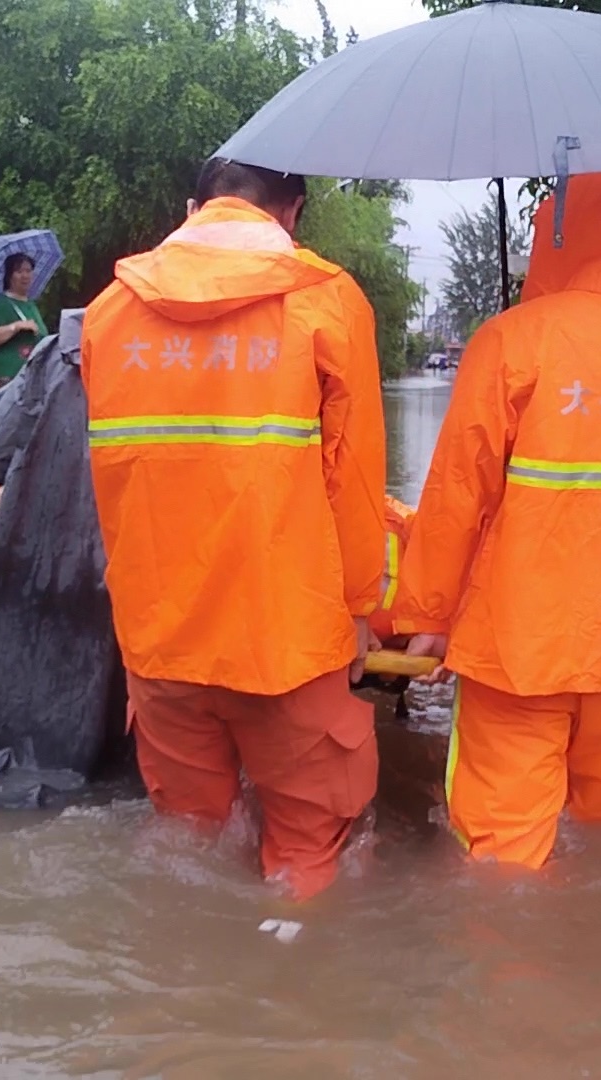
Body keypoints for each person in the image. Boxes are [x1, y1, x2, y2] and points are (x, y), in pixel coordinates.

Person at [393, 169, 601, 870]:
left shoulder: (513, 342)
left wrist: (426, 618)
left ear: (553, 235)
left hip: (519, 650)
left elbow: (458, 495)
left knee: (500, 860)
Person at [81, 158, 387, 900]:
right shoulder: (328, 302)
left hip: (159, 639)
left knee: (187, 846)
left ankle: (186, 983)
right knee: (307, 855)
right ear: (293, 211)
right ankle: (284, 976)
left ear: (193, 207)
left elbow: (120, 482)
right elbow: (354, 482)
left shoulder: (107, 314)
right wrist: (361, 610)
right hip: (287, 637)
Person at [0, 253, 50, 387]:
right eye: (19, 271)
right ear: (9, 276)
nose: (25, 276)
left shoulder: (31, 305)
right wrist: (16, 326)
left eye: (28, 271)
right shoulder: (3, 303)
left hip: (33, 377)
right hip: (10, 378)